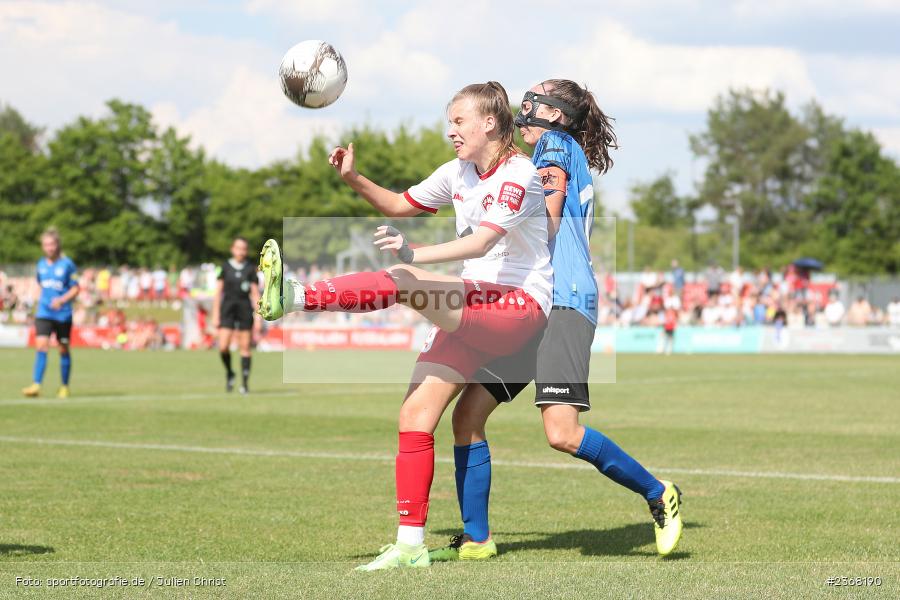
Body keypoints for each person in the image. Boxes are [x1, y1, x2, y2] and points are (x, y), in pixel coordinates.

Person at [256, 82, 552, 571]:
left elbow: (479, 244)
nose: (450, 131)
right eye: (450, 122)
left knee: (404, 278)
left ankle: (297, 296)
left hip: (517, 308)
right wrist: (353, 178)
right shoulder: (458, 171)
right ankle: (411, 545)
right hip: (472, 303)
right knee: (415, 417)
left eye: (459, 121)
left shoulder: (518, 173)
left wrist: (416, 254)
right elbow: (399, 205)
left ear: (490, 123)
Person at [431, 79, 682, 562]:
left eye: (534, 98)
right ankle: (477, 539)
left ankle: (659, 493)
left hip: (563, 299)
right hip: (537, 300)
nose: (523, 106)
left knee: (561, 433)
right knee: (467, 416)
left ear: (556, 113)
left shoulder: (553, 143)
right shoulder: (554, 145)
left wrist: (495, 225)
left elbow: (546, 219)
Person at [22, 228, 80, 398]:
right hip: (44, 312)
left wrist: (61, 300)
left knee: (63, 348)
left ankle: (64, 386)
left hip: (63, 314)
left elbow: (76, 288)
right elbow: (41, 285)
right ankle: (36, 385)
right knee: (41, 345)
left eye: (52, 244)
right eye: (46, 245)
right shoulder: (40, 264)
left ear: (58, 245)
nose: (49, 248)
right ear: (43, 246)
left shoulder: (67, 264)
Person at [212, 237, 260, 394]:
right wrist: (215, 314)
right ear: (232, 249)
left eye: (244, 249)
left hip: (244, 308)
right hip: (228, 308)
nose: (241, 251)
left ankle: (245, 384)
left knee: (245, 347)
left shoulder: (250, 269)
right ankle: (230, 372)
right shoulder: (224, 267)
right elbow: (218, 292)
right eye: (238, 248)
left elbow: (254, 293)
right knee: (223, 346)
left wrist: (259, 316)